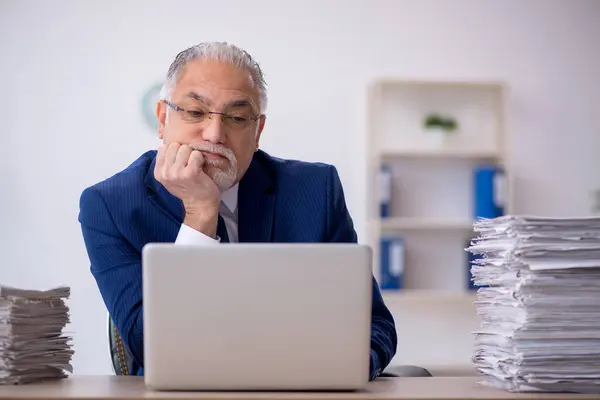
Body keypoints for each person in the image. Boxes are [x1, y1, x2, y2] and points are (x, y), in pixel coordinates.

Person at [78, 42, 397, 380]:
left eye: (237, 117)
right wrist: (200, 212)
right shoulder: (109, 206)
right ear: (162, 119)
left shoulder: (316, 190)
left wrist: (344, 368)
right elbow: (150, 346)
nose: (215, 134)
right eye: (196, 112)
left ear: (257, 130)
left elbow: (374, 326)